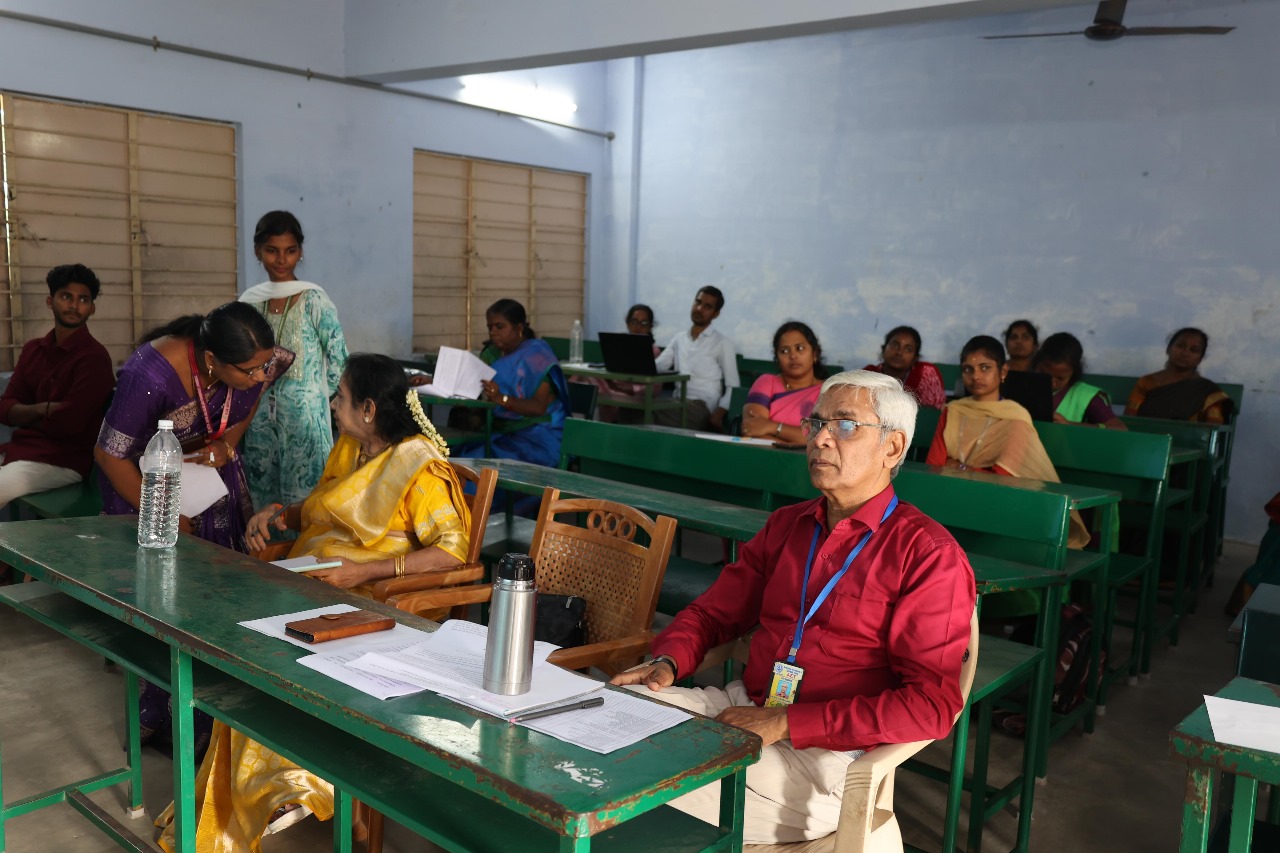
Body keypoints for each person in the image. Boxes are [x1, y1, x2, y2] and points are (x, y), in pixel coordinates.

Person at [612, 370, 974, 844]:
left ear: (892, 447)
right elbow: (713, 613)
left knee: (635, 784)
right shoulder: (788, 526)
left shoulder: (927, 555)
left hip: (826, 760)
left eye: (845, 425)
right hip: (744, 708)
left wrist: (786, 722)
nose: (820, 438)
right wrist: (669, 659)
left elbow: (931, 706)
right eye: (816, 423)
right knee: (610, 716)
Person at [157, 354, 470, 853]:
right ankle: (257, 791)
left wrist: (361, 573)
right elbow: (326, 511)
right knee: (245, 646)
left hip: (380, 599)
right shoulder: (352, 449)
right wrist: (278, 517)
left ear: (369, 409)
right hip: (319, 583)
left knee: (286, 656)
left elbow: (451, 552)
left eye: (340, 397)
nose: (332, 405)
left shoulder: (419, 466)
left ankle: (297, 785)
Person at [95, 301, 290, 755]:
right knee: (162, 601)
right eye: (249, 370)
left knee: (218, 595)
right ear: (211, 360)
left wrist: (228, 443)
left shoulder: (259, 362)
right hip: (145, 487)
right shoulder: (150, 374)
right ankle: (156, 710)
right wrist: (163, 511)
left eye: (263, 366)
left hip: (207, 483)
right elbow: (109, 454)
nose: (260, 376)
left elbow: (254, 393)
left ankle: (212, 718)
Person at [925, 335, 1089, 549]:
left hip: (999, 505)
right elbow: (933, 466)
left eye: (985, 368)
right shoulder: (953, 410)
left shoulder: (1016, 417)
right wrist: (970, 470)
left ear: (1003, 372)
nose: (976, 376)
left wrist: (958, 466)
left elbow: (1002, 477)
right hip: (952, 497)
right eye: (968, 369)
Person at [240, 211, 348, 508]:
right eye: (271, 250)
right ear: (258, 251)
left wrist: (318, 400)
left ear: (300, 252)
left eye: (290, 251)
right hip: (259, 418)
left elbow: (340, 358)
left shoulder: (314, 299)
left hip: (306, 423)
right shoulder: (250, 302)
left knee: (305, 502)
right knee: (263, 498)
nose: (281, 259)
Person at [0, 264, 114, 509]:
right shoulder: (33, 350)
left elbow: (70, 424)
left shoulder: (94, 358)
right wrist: (43, 409)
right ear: (50, 302)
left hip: (63, 461)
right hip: (20, 450)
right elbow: (5, 409)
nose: (74, 305)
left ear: (92, 308)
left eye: (83, 299)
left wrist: (25, 416)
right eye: (66, 297)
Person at [463, 299, 570, 467]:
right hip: (500, 431)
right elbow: (468, 382)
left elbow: (538, 408)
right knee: (456, 457)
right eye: (490, 327)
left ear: (519, 328)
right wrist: (433, 381)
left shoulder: (536, 356)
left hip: (537, 436)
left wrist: (500, 398)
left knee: (475, 466)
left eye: (499, 327)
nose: (493, 332)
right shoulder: (492, 354)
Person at [653, 286, 739, 431]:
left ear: (716, 314)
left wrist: (717, 416)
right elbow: (658, 366)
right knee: (634, 409)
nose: (699, 309)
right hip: (677, 403)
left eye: (707, 307)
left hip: (702, 408)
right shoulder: (679, 339)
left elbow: (734, 387)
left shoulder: (722, 343)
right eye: (697, 302)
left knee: (648, 413)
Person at [741, 321, 826, 444]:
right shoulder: (767, 383)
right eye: (784, 351)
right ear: (777, 358)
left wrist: (772, 427)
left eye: (799, 348)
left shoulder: (828, 391)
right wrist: (799, 443)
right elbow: (752, 429)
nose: (793, 356)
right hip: (764, 453)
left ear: (815, 354)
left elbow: (825, 437)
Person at [1125, 327, 1230, 423]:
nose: (1185, 353)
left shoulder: (1207, 391)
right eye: (1180, 346)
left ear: (1200, 358)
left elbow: (1213, 429)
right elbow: (1129, 420)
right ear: (1168, 349)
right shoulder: (1146, 382)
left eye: (1194, 350)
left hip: (1187, 438)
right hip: (1145, 436)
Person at [581, 304, 660, 423]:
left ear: (650, 326)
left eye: (644, 323)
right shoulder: (619, 346)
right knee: (583, 377)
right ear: (628, 324)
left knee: (596, 395)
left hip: (637, 397)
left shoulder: (654, 351)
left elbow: (656, 386)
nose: (638, 327)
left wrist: (632, 388)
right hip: (613, 389)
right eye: (634, 322)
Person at [1033, 332, 1127, 430]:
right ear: (1036, 364)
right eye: (1045, 375)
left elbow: (1119, 428)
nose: (1052, 383)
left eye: (1060, 378)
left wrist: (1069, 425)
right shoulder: (1024, 386)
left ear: (1074, 372)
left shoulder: (1088, 396)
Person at [863, 325, 946, 409]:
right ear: (883, 349)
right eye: (894, 345)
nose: (899, 352)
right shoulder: (869, 374)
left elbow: (933, 413)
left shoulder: (925, 373)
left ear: (915, 358)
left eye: (908, 349)